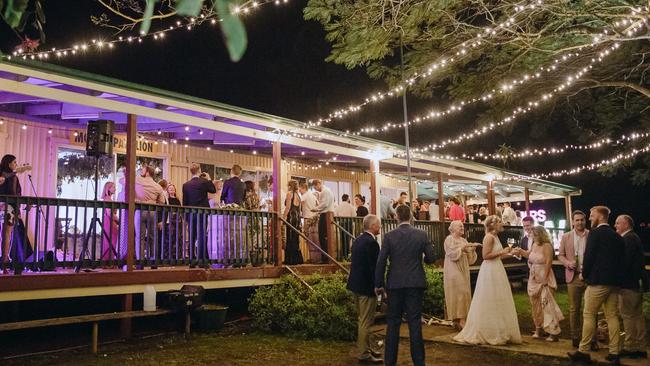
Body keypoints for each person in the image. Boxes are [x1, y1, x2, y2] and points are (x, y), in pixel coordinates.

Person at [375, 205, 435, 366]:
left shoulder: (389, 236)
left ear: (396, 217)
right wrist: (422, 259)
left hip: (394, 283)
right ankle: (419, 362)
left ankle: (390, 361)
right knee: (415, 323)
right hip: (415, 283)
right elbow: (431, 257)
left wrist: (378, 283)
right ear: (411, 216)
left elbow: (381, 262)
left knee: (393, 323)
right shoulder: (421, 234)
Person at [568, 206, 625, 365]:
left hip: (598, 282)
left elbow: (589, 256)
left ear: (600, 217)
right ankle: (614, 353)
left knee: (588, 314)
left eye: (592, 216)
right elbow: (622, 261)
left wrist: (584, 275)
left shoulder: (595, 234)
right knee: (612, 316)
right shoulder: (617, 236)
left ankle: (583, 351)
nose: (590, 219)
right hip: (614, 283)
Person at [453, 215, 521, 345]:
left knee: (499, 298)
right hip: (489, 271)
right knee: (489, 297)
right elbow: (485, 256)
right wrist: (502, 252)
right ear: (492, 225)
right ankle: (488, 330)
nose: (502, 224)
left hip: (497, 268)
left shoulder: (495, 237)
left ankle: (499, 329)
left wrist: (511, 253)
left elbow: (497, 257)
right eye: (500, 222)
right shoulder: (489, 237)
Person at [517, 226, 563, 341]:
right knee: (535, 305)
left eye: (535, 234)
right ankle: (538, 329)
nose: (533, 236)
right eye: (533, 234)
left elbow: (548, 262)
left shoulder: (547, 246)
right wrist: (519, 251)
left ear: (541, 234)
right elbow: (529, 255)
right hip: (533, 277)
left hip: (544, 275)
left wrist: (545, 278)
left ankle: (553, 332)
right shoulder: (534, 245)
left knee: (546, 304)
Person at [347, 215, 382, 364]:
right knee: (366, 321)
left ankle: (366, 348)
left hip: (356, 285)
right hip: (366, 287)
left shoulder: (357, 241)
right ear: (373, 226)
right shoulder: (372, 243)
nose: (380, 227)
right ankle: (363, 353)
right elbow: (374, 267)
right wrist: (378, 285)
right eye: (378, 225)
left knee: (362, 319)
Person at [614, 214, 648, 359]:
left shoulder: (627, 239)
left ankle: (630, 346)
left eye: (617, 223)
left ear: (626, 224)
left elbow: (624, 263)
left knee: (628, 316)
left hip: (628, 284)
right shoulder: (634, 238)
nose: (615, 226)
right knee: (637, 316)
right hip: (636, 283)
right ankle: (640, 346)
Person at [558, 210, 590, 347]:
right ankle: (575, 337)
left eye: (582, 220)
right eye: (577, 220)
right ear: (572, 222)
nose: (579, 222)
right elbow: (560, 255)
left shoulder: (592, 235)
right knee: (574, 309)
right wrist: (567, 263)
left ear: (585, 220)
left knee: (590, 310)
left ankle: (591, 338)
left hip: (589, 277)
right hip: (573, 277)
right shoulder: (566, 236)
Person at [443, 220, 479, 330]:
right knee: (459, 291)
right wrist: (463, 248)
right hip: (453, 267)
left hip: (463, 267)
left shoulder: (463, 240)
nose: (462, 228)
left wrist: (472, 250)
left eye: (463, 226)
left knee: (465, 292)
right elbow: (451, 254)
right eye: (460, 226)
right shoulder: (449, 239)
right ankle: (460, 319)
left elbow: (470, 260)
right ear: (453, 228)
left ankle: (460, 319)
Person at [182, 163, 216, 266]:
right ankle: (202, 260)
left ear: (190, 171)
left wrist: (185, 216)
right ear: (200, 170)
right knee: (201, 235)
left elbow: (185, 202)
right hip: (202, 213)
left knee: (192, 236)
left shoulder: (186, 185)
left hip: (191, 213)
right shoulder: (204, 182)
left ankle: (192, 261)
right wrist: (209, 178)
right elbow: (213, 190)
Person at [134, 166, 165, 264]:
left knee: (140, 237)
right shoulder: (158, 186)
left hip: (140, 209)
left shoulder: (138, 180)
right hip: (152, 211)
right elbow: (162, 202)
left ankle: (140, 261)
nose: (141, 172)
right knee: (153, 236)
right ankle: (153, 261)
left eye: (142, 170)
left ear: (147, 172)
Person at [0, 154, 22, 274]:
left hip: (2, 206)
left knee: (3, 235)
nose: (16, 164)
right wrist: (18, 210)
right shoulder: (13, 178)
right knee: (8, 234)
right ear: (9, 164)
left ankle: (5, 258)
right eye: (14, 162)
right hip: (9, 207)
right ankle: (5, 259)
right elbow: (15, 193)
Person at [311, 179, 335, 263]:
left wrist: (316, 209)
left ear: (318, 184)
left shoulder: (325, 191)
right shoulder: (327, 191)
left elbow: (324, 204)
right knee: (325, 237)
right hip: (327, 214)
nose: (316, 190)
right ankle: (326, 258)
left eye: (315, 188)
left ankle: (325, 259)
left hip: (325, 215)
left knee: (322, 237)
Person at [299, 182, 320, 263]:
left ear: (303, 188)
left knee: (309, 239)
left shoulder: (305, 195)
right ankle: (316, 258)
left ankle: (312, 258)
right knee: (315, 239)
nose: (300, 191)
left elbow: (299, 203)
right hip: (314, 218)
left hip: (308, 218)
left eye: (300, 190)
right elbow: (318, 205)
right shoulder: (312, 195)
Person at [283, 180, 303, 265]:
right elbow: (300, 210)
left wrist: (283, 217)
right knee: (295, 238)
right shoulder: (299, 195)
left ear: (290, 186)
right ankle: (297, 259)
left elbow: (287, 208)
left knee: (290, 237)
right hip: (297, 218)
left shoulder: (289, 194)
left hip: (291, 217)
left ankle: (290, 260)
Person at [101, 182, 120, 262]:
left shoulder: (107, 199)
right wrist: (119, 220)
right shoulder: (108, 199)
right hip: (110, 222)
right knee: (111, 241)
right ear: (108, 189)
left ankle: (108, 261)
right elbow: (109, 213)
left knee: (108, 241)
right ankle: (109, 261)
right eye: (113, 187)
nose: (115, 188)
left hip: (108, 222)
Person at [165, 183, 182, 262]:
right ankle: (169, 255)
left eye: (173, 189)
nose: (172, 190)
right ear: (167, 190)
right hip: (170, 220)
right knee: (170, 237)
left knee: (178, 237)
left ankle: (177, 255)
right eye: (170, 189)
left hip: (177, 220)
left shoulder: (177, 200)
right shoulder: (167, 200)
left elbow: (180, 210)